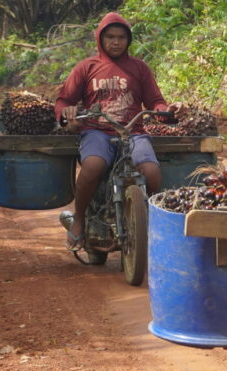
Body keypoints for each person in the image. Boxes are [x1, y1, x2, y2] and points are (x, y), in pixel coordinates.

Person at [54, 12, 181, 251]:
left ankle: (149, 222)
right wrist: (67, 113)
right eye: (110, 37)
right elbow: (63, 101)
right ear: (100, 39)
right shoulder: (86, 68)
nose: (115, 42)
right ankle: (80, 218)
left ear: (128, 40)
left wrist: (167, 110)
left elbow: (155, 100)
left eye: (121, 37)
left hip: (133, 132)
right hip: (97, 132)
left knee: (151, 172)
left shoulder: (139, 68)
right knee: (93, 165)